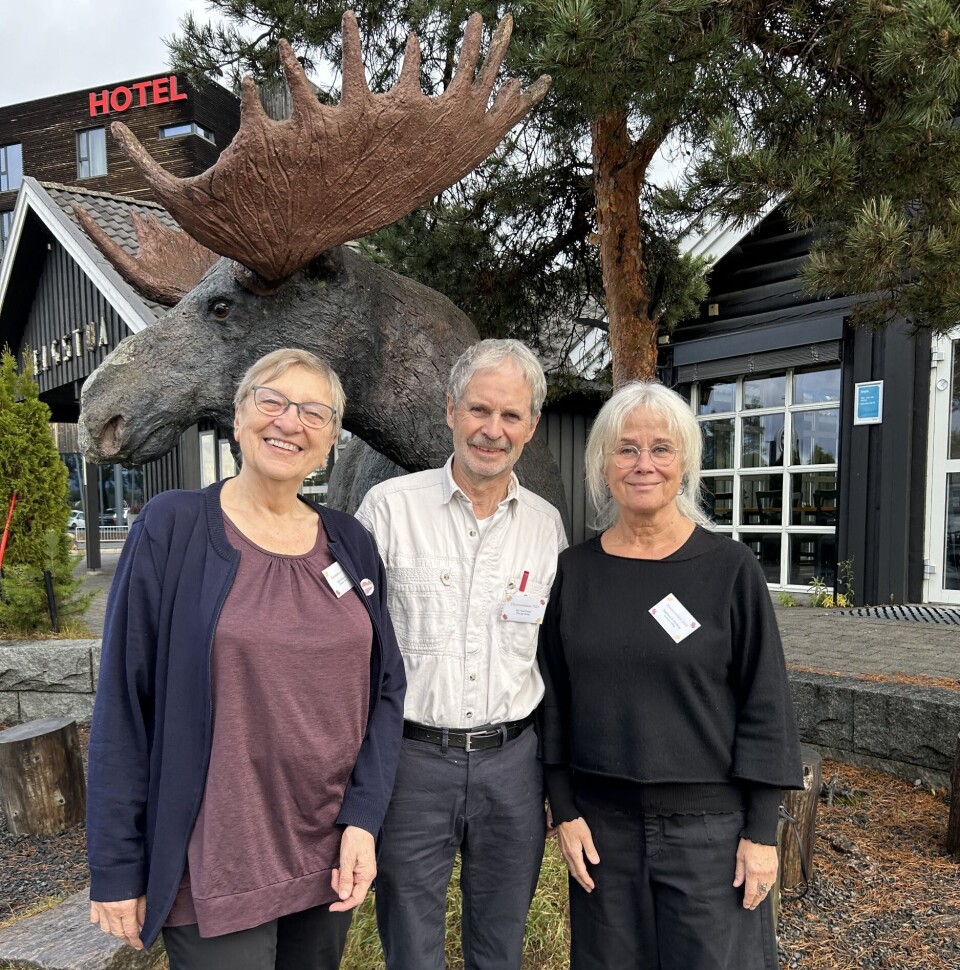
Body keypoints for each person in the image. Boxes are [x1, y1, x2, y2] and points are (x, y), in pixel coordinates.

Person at [86, 348, 406, 970]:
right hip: (218, 858)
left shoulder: (351, 543)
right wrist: (115, 864)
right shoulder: (172, 529)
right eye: (273, 401)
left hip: (325, 851)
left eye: (314, 411)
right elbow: (124, 702)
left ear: (332, 438)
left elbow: (385, 689)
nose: (291, 421)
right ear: (238, 417)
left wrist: (364, 819)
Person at [537, 380, 803, 970]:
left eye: (661, 448)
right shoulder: (575, 573)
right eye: (626, 449)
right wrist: (565, 808)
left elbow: (765, 704)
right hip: (603, 831)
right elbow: (553, 697)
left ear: (684, 463)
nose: (643, 464)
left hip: (710, 832)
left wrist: (761, 833)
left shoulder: (730, 570)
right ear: (603, 463)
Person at [355, 338, 567, 970]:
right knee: (411, 946)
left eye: (510, 416)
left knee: (499, 944)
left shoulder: (545, 526)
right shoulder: (389, 511)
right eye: (479, 410)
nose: (492, 431)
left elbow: (551, 656)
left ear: (530, 427)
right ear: (450, 410)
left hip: (514, 768)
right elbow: (351, 647)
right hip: (412, 764)